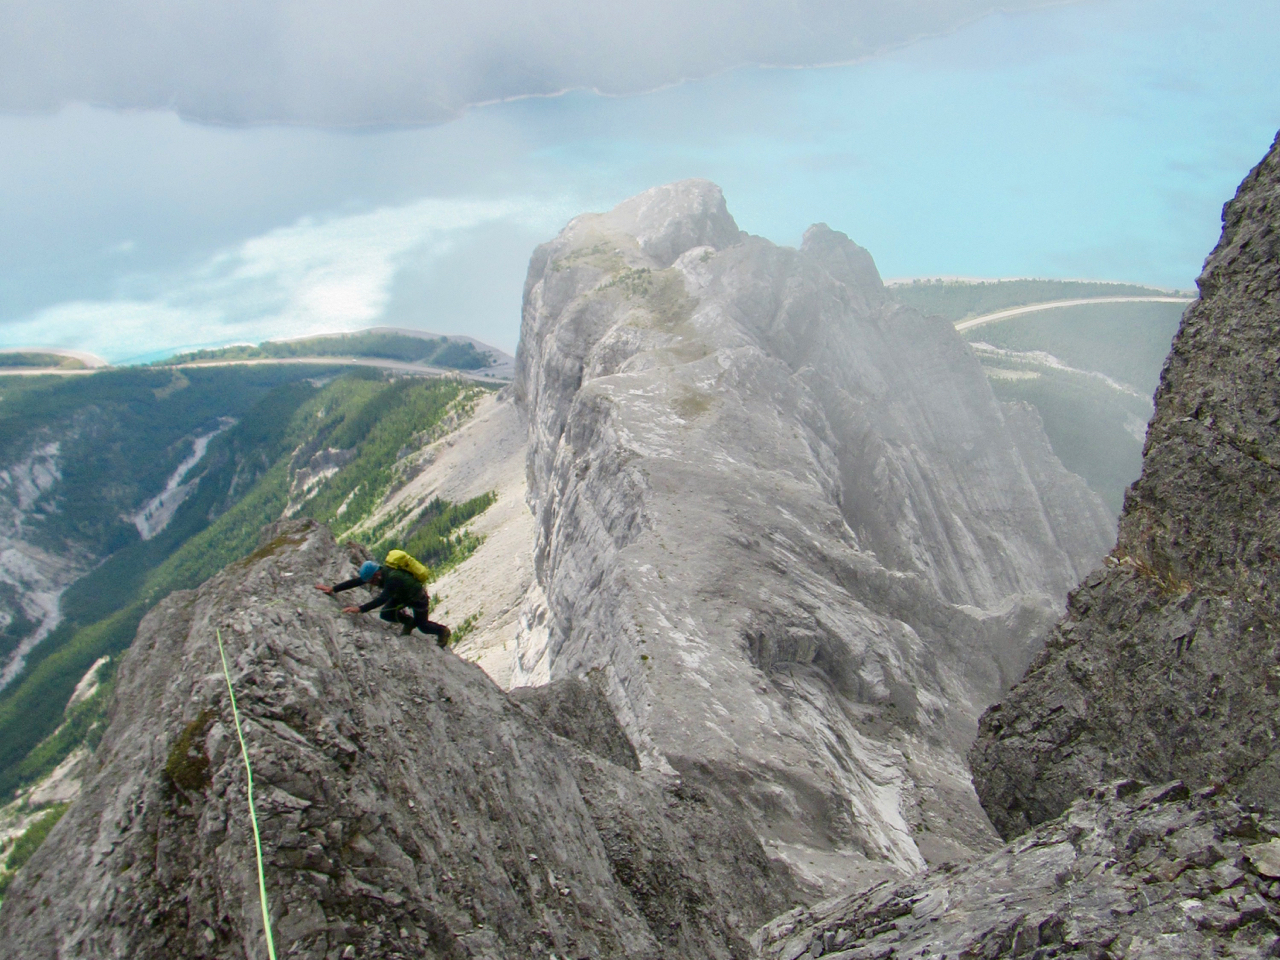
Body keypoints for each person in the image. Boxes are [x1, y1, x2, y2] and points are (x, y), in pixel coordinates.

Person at [316, 560, 452, 647]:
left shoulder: (392, 578)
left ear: (376, 575)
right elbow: (358, 581)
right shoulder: (380, 574)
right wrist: (333, 589)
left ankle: (442, 631)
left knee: (423, 626)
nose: (371, 583)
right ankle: (409, 622)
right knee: (386, 613)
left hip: (417, 597)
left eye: (371, 581)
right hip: (402, 595)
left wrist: (360, 609)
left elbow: (382, 599)